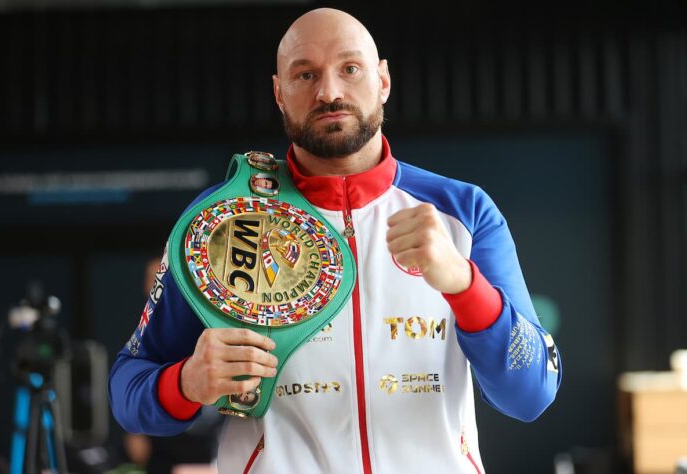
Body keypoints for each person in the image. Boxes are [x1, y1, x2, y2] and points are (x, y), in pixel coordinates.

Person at [109, 8, 562, 473]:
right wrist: (186, 382)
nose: (329, 92)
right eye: (305, 75)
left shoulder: (463, 213)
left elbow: (531, 393)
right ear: (279, 92)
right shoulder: (224, 218)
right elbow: (127, 389)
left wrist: (466, 286)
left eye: (350, 68)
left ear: (383, 80)